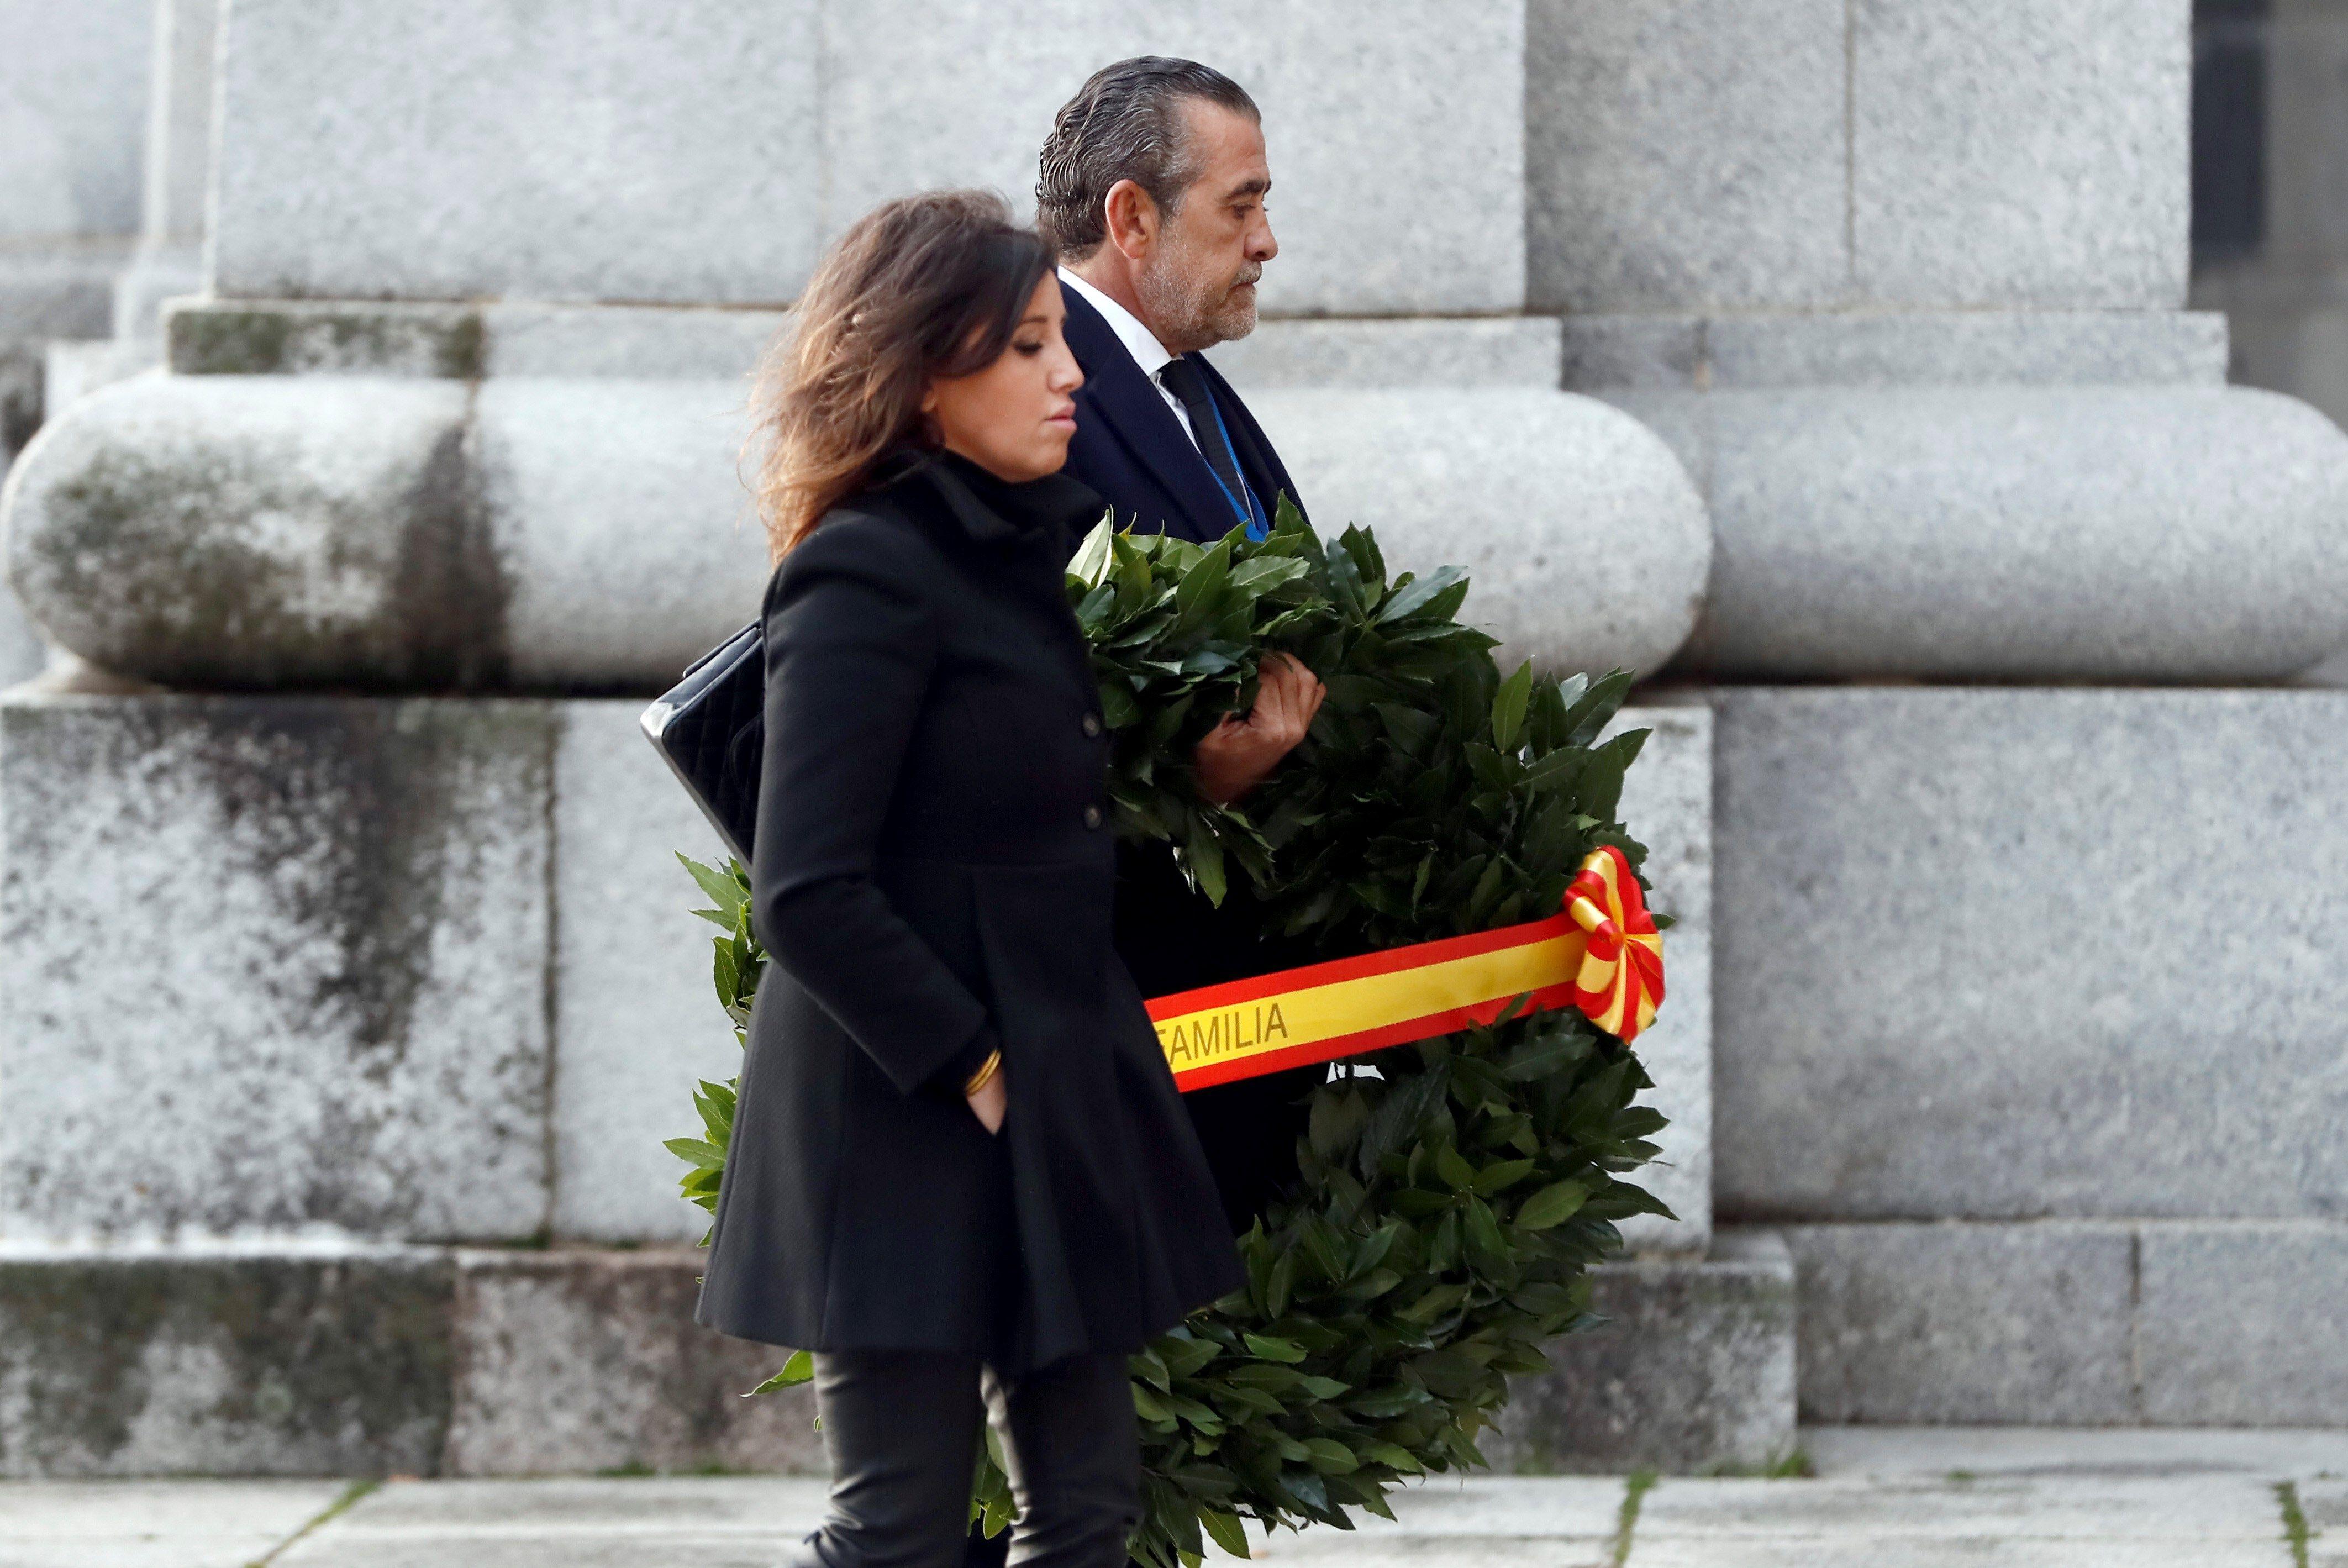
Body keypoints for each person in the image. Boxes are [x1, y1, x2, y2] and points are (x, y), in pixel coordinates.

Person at [692, 189, 1243, 1568]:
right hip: (909, 1108)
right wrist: (980, 1068)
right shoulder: (863, 572)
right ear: (922, 376)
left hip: (1041, 1084)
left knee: (1089, 1522)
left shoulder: (1015, 559)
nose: (1069, 376)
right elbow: (806, 887)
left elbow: (1030, 836)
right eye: (1027, 349)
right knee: (903, 1536)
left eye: (1061, 343)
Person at [1036, 57, 1328, 1233]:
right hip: (1126, 1007)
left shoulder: (1187, 388)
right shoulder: (1039, 394)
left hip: (1233, 1003)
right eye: (1242, 203)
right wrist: (1186, 784)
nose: (1265, 242)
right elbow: (1004, 712)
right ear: (1130, 216)